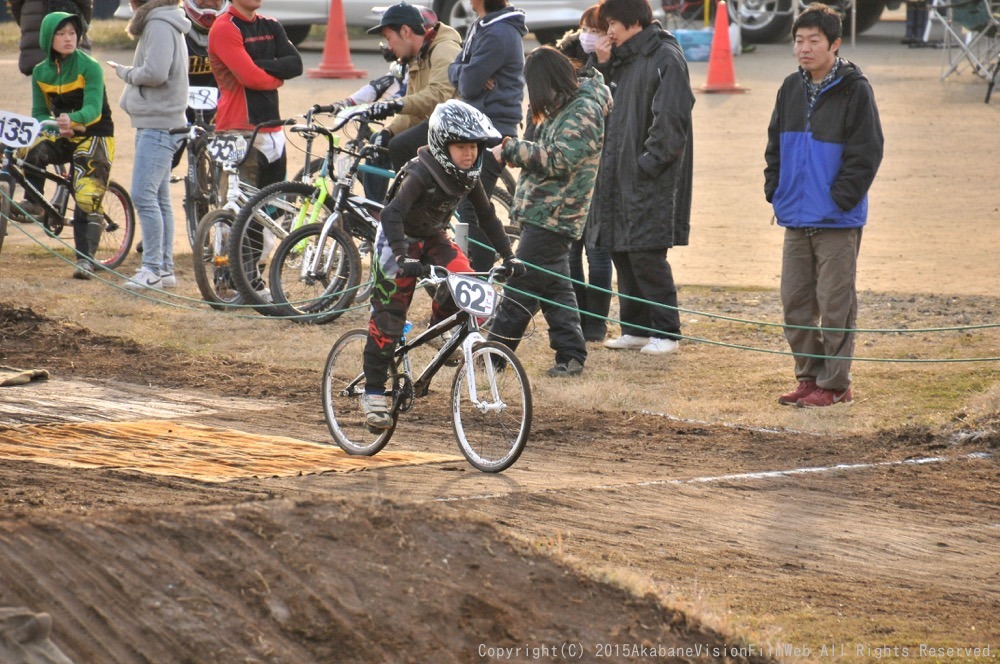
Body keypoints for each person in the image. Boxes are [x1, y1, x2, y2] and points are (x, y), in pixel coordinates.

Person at [359, 100, 523, 429]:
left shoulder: (468, 175)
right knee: (389, 318)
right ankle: (373, 393)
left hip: (433, 236)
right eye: (461, 146)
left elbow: (487, 216)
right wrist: (403, 257)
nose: (469, 154)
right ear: (441, 144)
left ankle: (439, 329)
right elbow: (391, 213)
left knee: (467, 281)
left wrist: (509, 256)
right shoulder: (421, 171)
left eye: (474, 147)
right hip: (397, 240)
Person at [765, 3, 883, 408]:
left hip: (837, 218)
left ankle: (835, 385)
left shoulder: (855, 88)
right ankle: (809, 376)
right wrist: (774, 189)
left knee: (836, 306)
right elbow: (774, 146)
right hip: (795, 215)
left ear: (834, 44)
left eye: (814, 40)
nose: (804, 48)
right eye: (799, 40)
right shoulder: (789, 87)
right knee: (794, 304)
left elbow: (866, 152)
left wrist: (840, 199)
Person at [486, 47, 611, 378]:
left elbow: (560, 159)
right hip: (543, 212)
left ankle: (492, 357)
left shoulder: (585, 109)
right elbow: (544, 151)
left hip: (556, 215)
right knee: (556, 289)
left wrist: (513, 148)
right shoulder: (564, 104)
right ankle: (571, 356)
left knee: (520, 288)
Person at [587, 0, 694, 355]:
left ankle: (667, 332)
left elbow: (672, 119)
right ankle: (635, 328)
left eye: (613, 23)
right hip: (617, 173)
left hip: (648, 177)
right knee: (622, 250)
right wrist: (601, 65)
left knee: (647, 253)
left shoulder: (664, 56)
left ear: (633, 21)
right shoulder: (623, 59)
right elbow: (598, 102)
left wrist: (647, 164)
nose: (609, 32)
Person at [208, 0, 303, 293]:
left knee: (268, 212)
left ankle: (255, 278)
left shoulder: (271, 25)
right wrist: (275, 76)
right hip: (238, 130)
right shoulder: (224, 27)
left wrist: (260, 68)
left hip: (273, 130)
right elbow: (247, 77)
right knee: (238, 211)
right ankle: (231, 282)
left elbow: (295, 65)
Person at [25, 11, 114, 279]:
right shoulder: (40, 72)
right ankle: (35, 203)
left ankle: (85, 261)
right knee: (33, 151)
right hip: (63, 132)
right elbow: (39, 112)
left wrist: (72, 120)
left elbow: (93, 109)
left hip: (95, 133)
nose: (68, 38)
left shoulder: (90, 66)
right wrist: (52, 125)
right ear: (47, 38)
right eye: (61, 33)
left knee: (86, 195)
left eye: (72, 33)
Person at [110, 0, 191, 290]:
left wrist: (126, 73)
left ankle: (153, 269)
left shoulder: (157, 23)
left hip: (159, 124)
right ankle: (165, 269)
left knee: (143, 196)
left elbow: (156, 72)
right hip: (159, 121)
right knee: (159, 198)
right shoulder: (166, 20)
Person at [447, 0, 527, 272]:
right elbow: (456, 69)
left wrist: (466, 75)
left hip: (492, 129)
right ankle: (472, 276)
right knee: (470, 208)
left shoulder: (499, 32)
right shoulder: (482, 25)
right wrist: (465, 72)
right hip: (475, 125)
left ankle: (480, 280)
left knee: (474, 211)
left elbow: (468, 85)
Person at [363, 2, 463, 202]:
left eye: (389, 38)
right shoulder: (418, 56)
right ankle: (375, 214)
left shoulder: (443, 49)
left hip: (453, 125)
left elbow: (439, 95)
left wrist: (396, 104)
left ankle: (414, 209)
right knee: (377, 145)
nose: (389, 47)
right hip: (434, 122)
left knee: (400, 145)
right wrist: (387, 131)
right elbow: (412, 110)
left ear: (406, 32)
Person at [556, 4, 615, 342]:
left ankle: (596, 322)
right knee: (571, 248)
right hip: (567, 165)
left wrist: (603, 64)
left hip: (600, 167)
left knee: (598, 250)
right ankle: (577, 314)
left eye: (596, 30)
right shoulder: (564, 55)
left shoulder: (612, 62)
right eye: (585, 28)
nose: (588, 35)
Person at [11, 0, 92, 77]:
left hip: (34, 16)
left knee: (40, 77)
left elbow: (16, 4)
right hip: (67, 13)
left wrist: (26, 22)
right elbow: (85, 4)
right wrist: (81, 24)